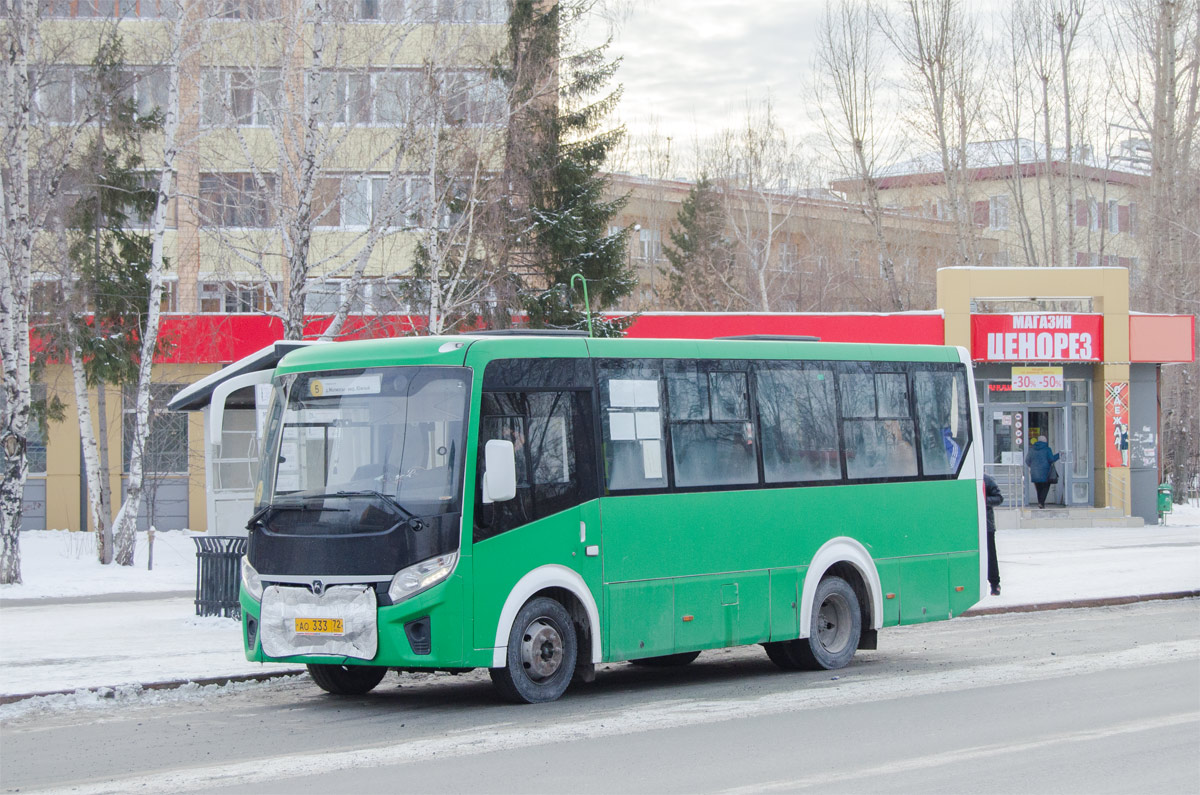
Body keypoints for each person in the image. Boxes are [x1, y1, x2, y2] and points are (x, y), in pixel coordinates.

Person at [1025, 436, 1061, 509]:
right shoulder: (1047, 449)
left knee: (1039, 488)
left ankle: (1040, 503)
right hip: (1045, 472)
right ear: (1045, 441)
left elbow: (1027, 461)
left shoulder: (1031, 450)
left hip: (1034, 472)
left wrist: (1032, 466)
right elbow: (1051, 459)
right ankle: (1041, 503)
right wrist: (1059, 455)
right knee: (1045, 487)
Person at [984, 474, 1003, 596]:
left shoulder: (986, 479)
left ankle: (995, 584)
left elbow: (999, 498)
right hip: (968, 525)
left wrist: (983, 500)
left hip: (986, 525)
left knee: (990, 555)